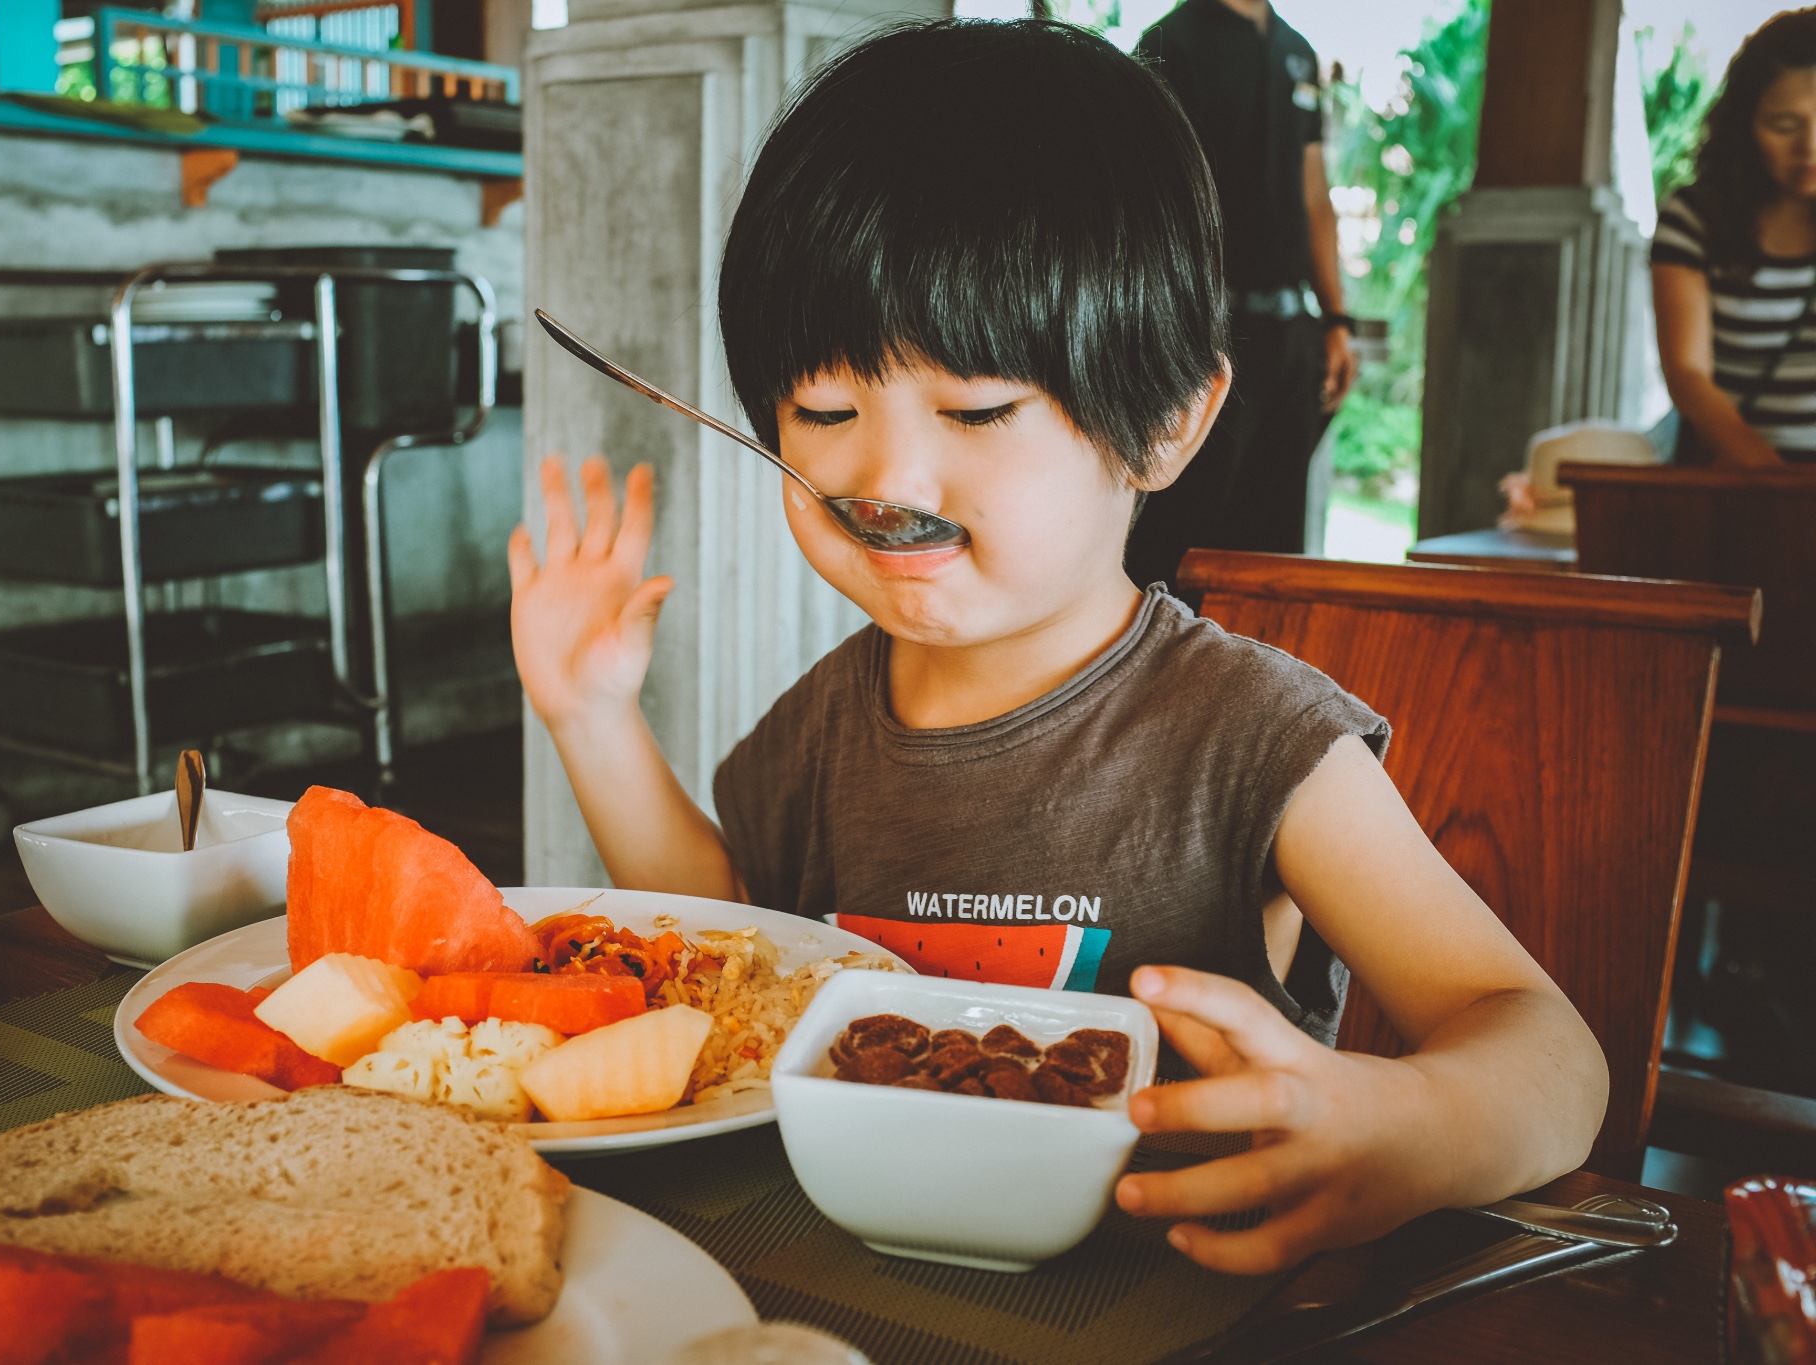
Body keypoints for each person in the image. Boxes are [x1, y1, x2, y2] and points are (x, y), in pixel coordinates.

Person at [510, 21, 1605, 1275]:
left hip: (1175, 1297)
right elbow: (734, 959)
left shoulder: (1248, 738)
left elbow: (1544, 1046)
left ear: (1165, 425)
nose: (885, 474)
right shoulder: (817, 725)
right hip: (844, 1284)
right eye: (823, 409)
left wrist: (1408, 1125)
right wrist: (590, 716)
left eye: (974, 408)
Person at [1123, 0, 1358, 589]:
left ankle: (1257, 681)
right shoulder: (1167, 45)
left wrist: (1336, 319)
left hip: (1289, 335)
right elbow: (1143, 199)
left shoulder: (1295, 50)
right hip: (1202, 333)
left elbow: (1313, 191)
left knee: (1273, 555)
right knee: (1178, 543)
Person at [1655, 8, 1816, 465]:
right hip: (1738, 491)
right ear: (1746, 123)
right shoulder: (1695, 219)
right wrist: (1776, 484)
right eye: (1784, 125)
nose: (1810, 147)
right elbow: (1688, 375)